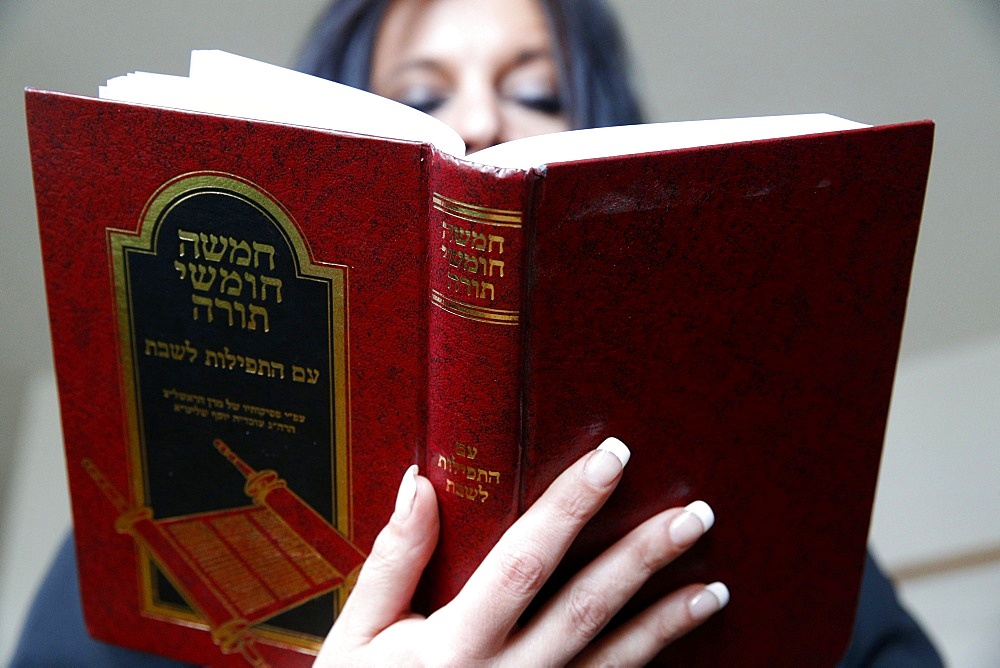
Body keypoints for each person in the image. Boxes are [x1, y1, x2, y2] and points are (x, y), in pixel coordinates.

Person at [13, 0, 943, 665]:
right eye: (418, 93)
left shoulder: (759, 538)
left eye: (539, 91)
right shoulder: (142, 556)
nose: (483, 119)